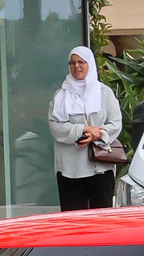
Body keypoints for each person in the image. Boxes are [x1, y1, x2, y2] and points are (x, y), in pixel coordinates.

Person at [47, 46, 123, 213]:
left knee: (102, 220)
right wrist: (83, 129)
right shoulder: (61, 95)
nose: (77, 66)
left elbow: (116, 123)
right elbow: (55, 126)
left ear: (90, 64)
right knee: (73, 222)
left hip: (100, 167)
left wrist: (97, 135)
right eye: (72, 63)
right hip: (69, 168)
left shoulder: (104, 93)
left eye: (81, 62)